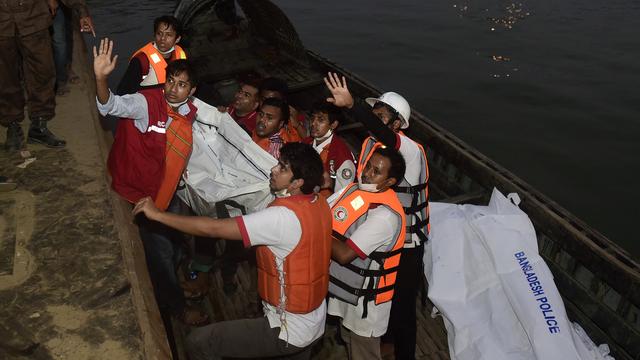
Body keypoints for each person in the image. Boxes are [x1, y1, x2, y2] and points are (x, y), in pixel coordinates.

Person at [132, 142, 333, 360]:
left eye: (283, 168)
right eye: (278, 163)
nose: (273, 169)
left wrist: (158, 215)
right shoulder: (319, 204)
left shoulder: (281, 218)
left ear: (297, 183)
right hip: (313, 324)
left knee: (199, 342)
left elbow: (212, 228)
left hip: (286, 329)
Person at [93, 38, 208, 325]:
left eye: (181, 85)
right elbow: (111, 106)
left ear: (191, 91)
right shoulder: (147, 103)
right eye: (170, 81)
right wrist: (100, 79)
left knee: (179, 239)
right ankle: (176, 307)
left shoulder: (188, 112)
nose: (172, 88)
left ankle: (182, 273)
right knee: (161, 253)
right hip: (145, 195)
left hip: (170, 190)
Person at [325, 72, 430, 359]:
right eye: (373, 113)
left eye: (380, 116)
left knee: (401, 305)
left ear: (397, 124)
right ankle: (368, 338)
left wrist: (350, 106)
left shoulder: (408, 150)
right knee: (368, 289)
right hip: (376, 233)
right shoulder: (372, 145)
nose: (374, 120)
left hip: (406, 243)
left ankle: (403, 352)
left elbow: (385, 135)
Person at [327, 147, 407, 360]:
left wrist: (314, 228)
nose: (367, 173)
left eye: (376, 172)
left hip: (365, 306)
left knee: (363, 352)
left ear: (389, 182)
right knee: (347, 340)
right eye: (368, 166)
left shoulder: (385, 217)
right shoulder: (354, 190)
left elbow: (344, 254)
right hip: (345, 291)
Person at [0, 0, 90, 150]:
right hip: (2, 26)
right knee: (5, 79)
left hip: (34, 21)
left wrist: (81, 10)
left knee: (43, 74)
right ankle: (12, 127)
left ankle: (39, 127)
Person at [116, 15, 187, 95]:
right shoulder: (142, 60)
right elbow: (122, 93)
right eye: (159, 33)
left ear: (177, 39)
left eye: (168, 35)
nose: (162, 38)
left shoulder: (181, 54)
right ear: (154, 34)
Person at [302, 101, 355, 196]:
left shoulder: (342, 156)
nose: (313, 123)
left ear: (333, 124)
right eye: (312, 118)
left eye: (320, 120)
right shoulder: (305, 143)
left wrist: (331, 183)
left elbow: (344, 194)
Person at [50, 0, 95, 96]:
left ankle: (64, 73)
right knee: (57, 42)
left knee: (64, 37)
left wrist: (83, 13)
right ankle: (59, 79)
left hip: (63, 5)